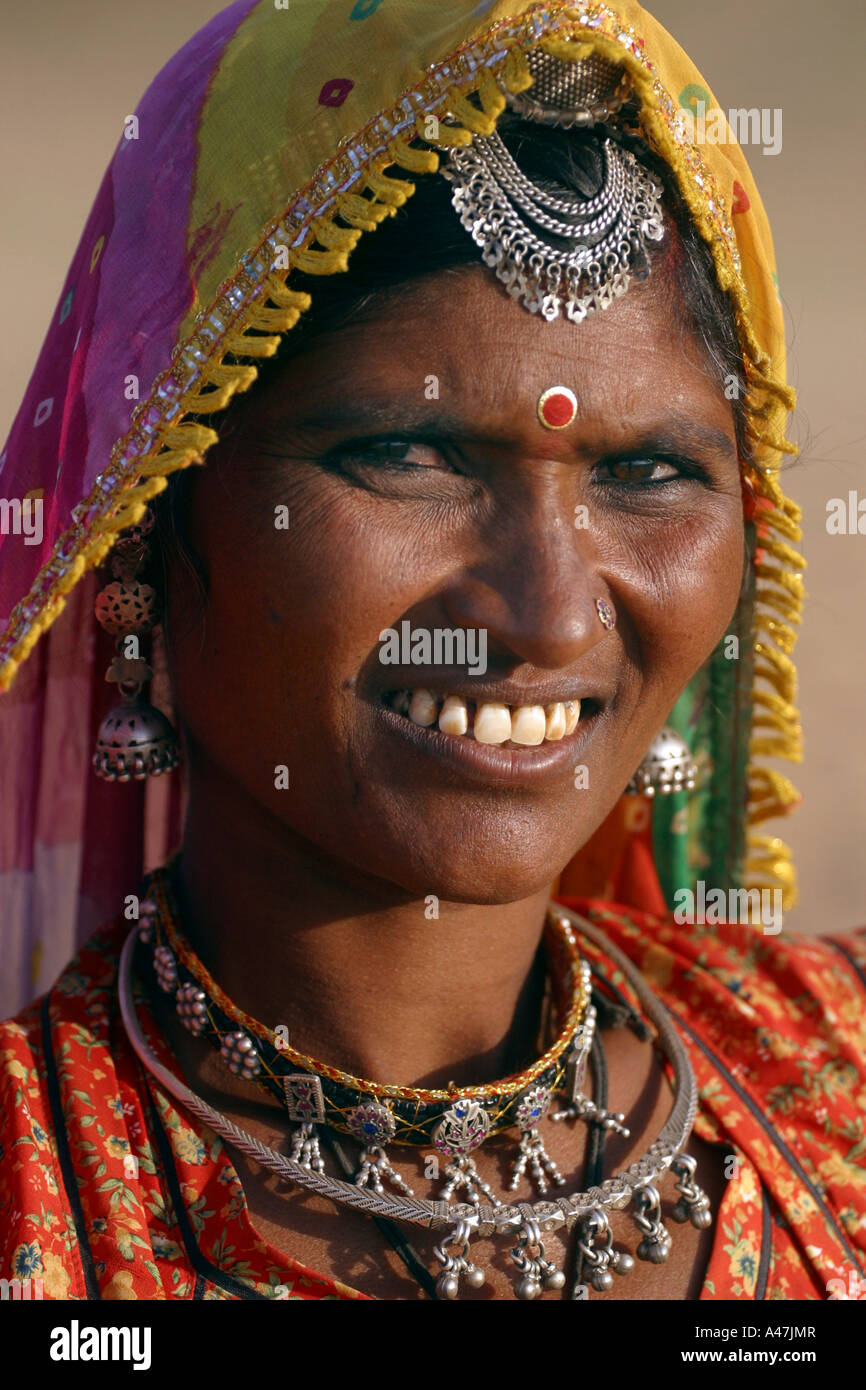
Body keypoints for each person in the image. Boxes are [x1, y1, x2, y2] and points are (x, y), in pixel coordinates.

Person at [0, 0, 863, 1302]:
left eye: (645, 470)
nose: (549, 615)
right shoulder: (34, 1183)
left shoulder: (835, 1064)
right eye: (408, 455)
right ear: (143, 521)